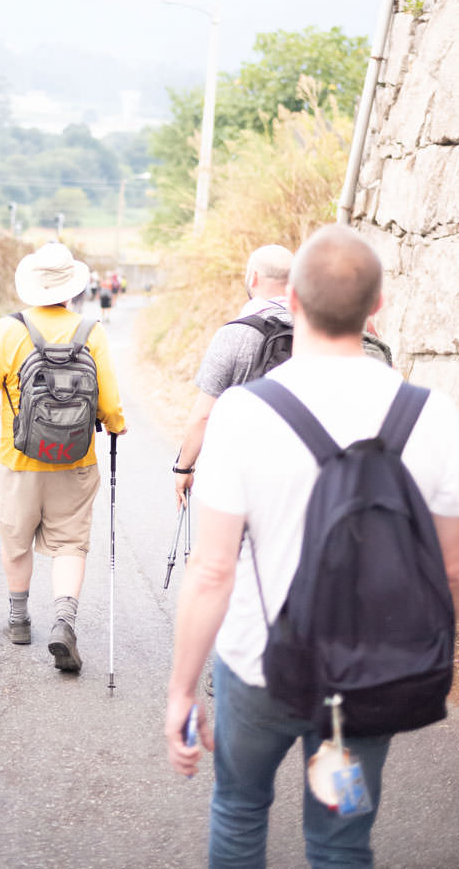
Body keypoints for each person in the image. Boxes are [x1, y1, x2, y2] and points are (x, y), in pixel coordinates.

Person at [164, 224, 459, 868]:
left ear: (291, 299)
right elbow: (452, 568)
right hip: (368, 667)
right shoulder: (432, 414)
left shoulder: (244, 412)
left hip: (259, 666)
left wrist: (182, 692)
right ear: (378, 307)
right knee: (342, 837)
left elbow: (212, 571)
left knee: (240, 810)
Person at [0, 242, 127, 673]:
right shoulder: (91, 331)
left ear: (31, 287)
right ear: (71, 289)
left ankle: (19, 620)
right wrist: (117, 426)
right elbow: (111, 406)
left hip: (18, 460)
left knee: (16, 540)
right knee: (69, 544)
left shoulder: (8, 331)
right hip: (76, 462)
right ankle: (63, 621)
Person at [174, 244, 293, 507]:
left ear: (253, 277)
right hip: (302, 472)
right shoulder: (318, 328)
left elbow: (203, 415)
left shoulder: (235, 334)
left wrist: (184, 468)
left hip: (241, 478)